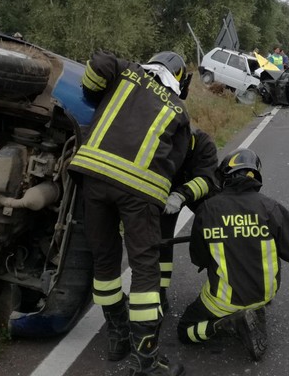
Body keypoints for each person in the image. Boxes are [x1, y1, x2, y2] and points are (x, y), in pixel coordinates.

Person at [69, 50, 191, 375]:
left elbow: (97, 63)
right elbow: (176, 161)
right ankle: (147, 358)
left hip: (93, 178)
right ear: (178, 79)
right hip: (139, 192)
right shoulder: (178, 109)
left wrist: (92, 94)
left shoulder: (126, 73)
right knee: (145, 268)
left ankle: (117, 336)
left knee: (105, 261)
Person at [176, 148, 289, 361]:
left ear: (224, 177)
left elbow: (198, 258)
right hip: (264, 295)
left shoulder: (208, 210)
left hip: (224, 300)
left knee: (185, 331)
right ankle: (252, 310)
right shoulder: (271, 208)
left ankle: (224, 323)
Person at [159, 127, 219, 312]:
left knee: (220, 230)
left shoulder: (204, 143)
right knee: (161, 240)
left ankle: (227, 279)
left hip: (200, 192)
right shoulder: (164, 143)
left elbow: (207, 180)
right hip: (167, 191)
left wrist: (180, 195)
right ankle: (159, 291)